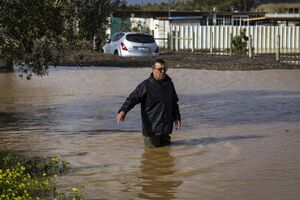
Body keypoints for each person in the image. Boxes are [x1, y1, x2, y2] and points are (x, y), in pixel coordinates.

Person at [116, 58, 181, 148]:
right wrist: (123, 111)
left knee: (166, 155)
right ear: (153, 70)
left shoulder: (169, 84)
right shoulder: (145, 85)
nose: (162, 72)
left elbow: (174, 103)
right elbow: (132, 99)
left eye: (164, 69)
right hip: (151, 130)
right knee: (151, 156)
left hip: (165, 128)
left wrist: (177, 118)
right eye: (159, 69)